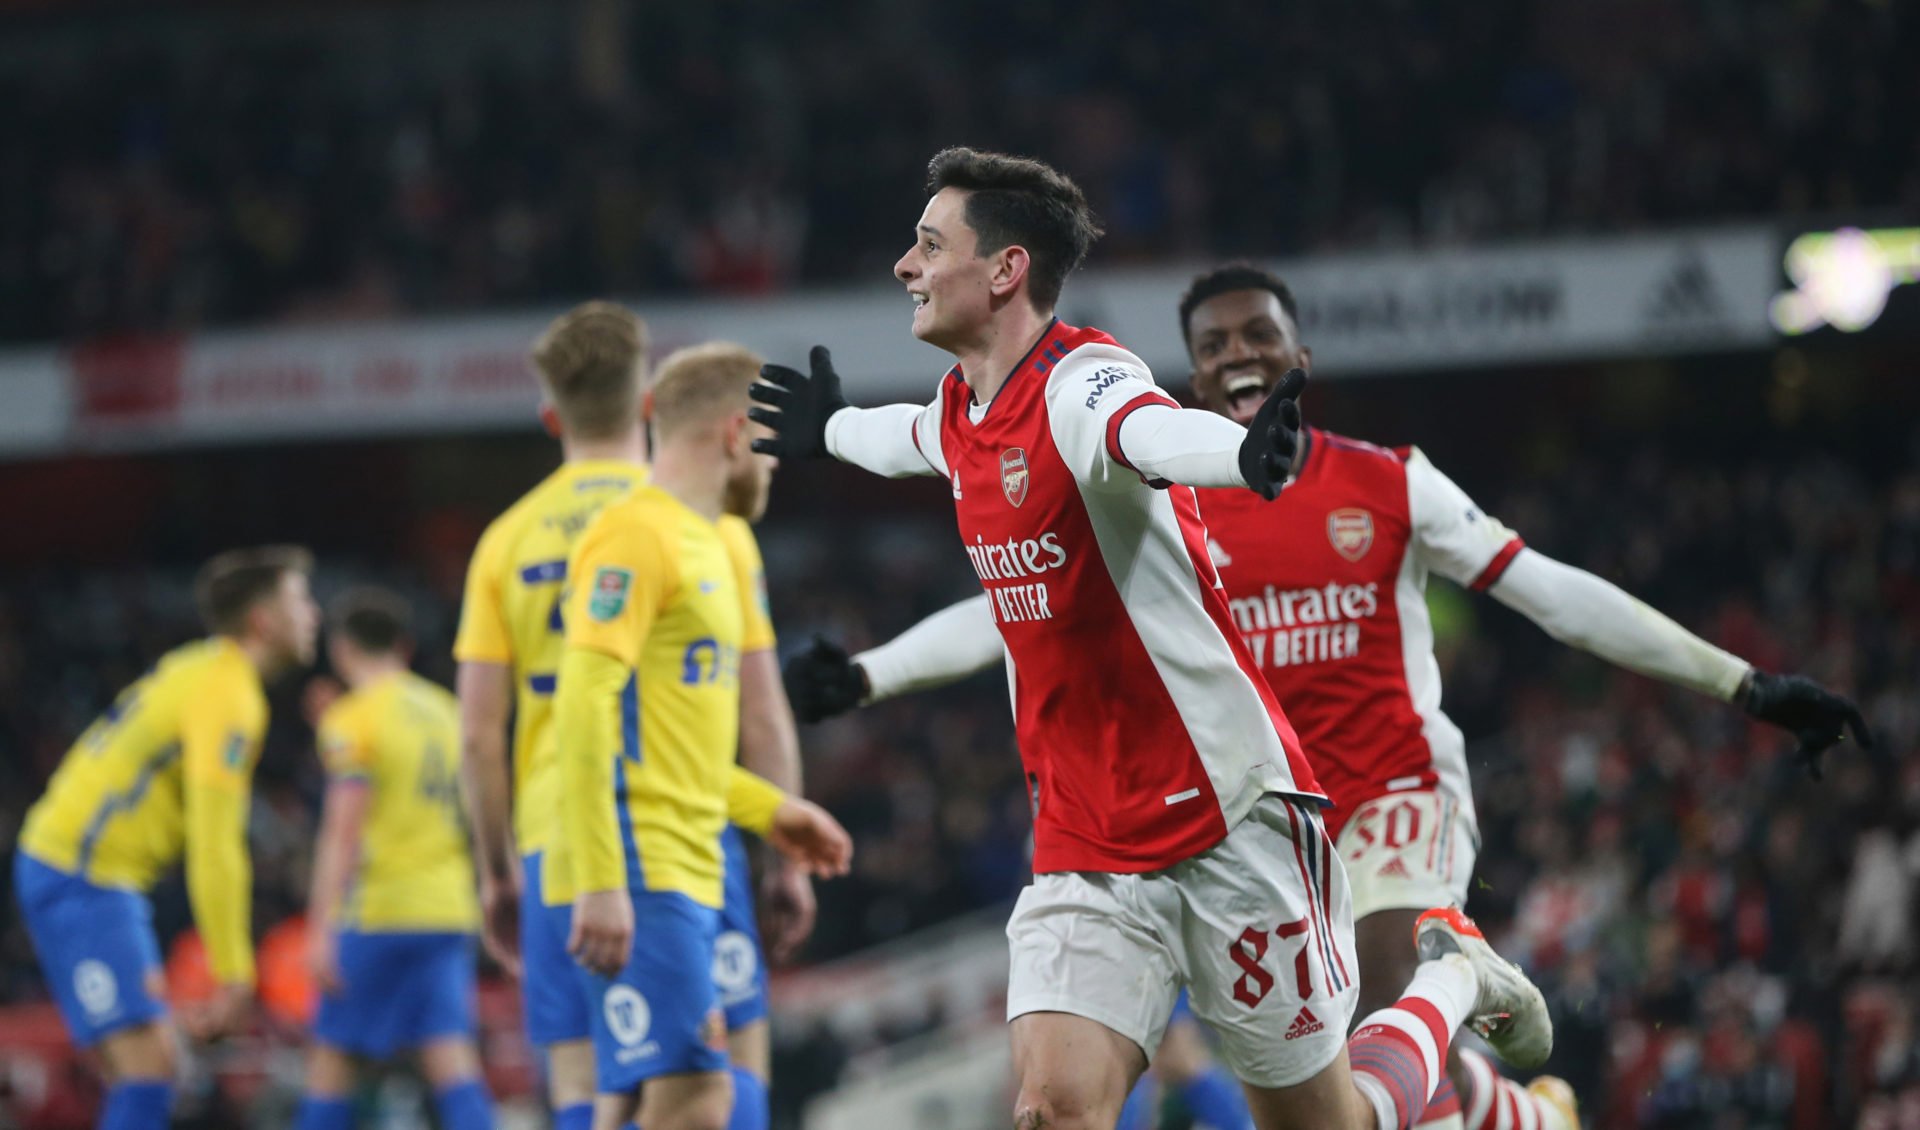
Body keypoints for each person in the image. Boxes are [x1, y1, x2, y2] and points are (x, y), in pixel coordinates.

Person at [783, 261, 1878, 1130]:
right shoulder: (1166, 497)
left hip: (1393, 796)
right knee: (1355, 1103)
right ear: (1192, 370)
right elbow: (1018, 612)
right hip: (1250, 819)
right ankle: (1517, 1109)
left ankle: (1453, 986)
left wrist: (1742, 682)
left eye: (1259, 334)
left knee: (1381, 993)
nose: (1238, 353)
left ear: (1299, 352)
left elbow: (1552, 594)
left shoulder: (1389, 481)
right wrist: (878, 670)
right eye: (1213, 344)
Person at [749, 146, 1550, 1130]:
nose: (905, 267)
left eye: (927, 244)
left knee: (1329, 1124)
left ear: (1004, 270)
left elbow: (1146, 430)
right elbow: (901, 435)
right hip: (1086, 839)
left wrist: (1243, 455)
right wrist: (830, 424)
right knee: (1048, 1108)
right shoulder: (963, 412)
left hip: (1229, 821)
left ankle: (1450, 980)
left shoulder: (1083, 381)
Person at [453, 303, 816, 1130]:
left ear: (552, 415)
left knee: (595, 1094)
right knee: (718, 1083)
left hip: (555, 834)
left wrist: (497, 870)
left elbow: (478, 734)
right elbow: (761, 710)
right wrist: (780, 854)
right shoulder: (703, 522)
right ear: (649, 402)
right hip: (670, 831)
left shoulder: (505, 542)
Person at [555, 342, 853, 1130]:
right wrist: (600, 879)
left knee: (648, 1101)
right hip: (639, 859)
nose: (780, 461)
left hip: (692, 856)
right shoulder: (634, 537)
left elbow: (668, 744)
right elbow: (581, 710)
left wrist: (768, 810)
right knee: (696, 1099)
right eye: (772, 442)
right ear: (733, 433)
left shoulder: (712, 543)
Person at [15, 546, 319, 1130]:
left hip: (86, 872)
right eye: (299, 600)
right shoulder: (230, 697)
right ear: (262, 619)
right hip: (84, 877)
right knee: (148, 1071)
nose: (313, 614)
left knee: (143, 1070)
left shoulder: (199, 666)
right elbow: (216, 841)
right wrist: (234, 971)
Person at [298, 588, 493, 1130]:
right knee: (451, 1061)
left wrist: (320, 930)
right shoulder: (447, 711)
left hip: (379, 910)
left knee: (333, 1063)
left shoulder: (353, 719)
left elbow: (343, 830)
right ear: (403, 647)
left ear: (341, 650)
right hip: (446, 908)